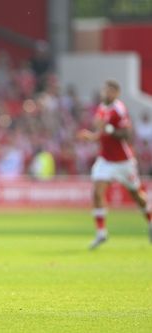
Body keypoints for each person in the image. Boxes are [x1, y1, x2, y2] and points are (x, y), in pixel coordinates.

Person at [78, 79, 152, 249]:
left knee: (136, 195)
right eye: (105, 91)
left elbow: (126, 134)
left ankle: (150, 221)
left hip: (123, 161)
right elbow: (100, 132)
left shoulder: (119, 109)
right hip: (105, 159)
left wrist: (109, 130)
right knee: (97, 192)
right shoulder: (102, 107)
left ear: (116, 94)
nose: (106, 94)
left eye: (110, 91)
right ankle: (101, 233)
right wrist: (91, 136)